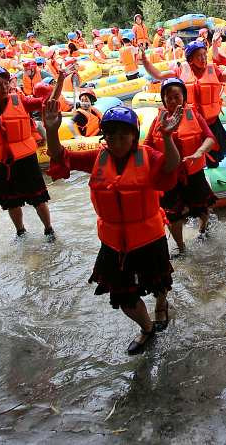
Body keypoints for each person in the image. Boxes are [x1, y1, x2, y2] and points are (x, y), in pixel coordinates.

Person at [45, 102, 182, 355]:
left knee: (159, 281)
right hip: (113, 243)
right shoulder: (96, 157)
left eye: (124, 136)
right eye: (111, 136)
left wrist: (167, 136)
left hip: (149, 237)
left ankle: (161, 304)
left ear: (134, 136)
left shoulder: (148, 155)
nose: (117, 142)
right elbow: (61, 157)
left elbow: (171, 167)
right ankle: (146, 327)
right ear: (105, 137)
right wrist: (51, 131)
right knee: (122, 296)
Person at [0, 66, 57, 238]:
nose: (4, 87)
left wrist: (54, 88)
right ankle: (20, 231)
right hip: (2, 160)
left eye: (6, 83)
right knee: (11, 201)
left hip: (26, 158)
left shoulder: (20, 101)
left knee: (39, 198)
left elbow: (45, 103)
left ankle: (48, 229)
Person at [140, 40, 226, 166]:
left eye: (204, 54)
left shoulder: (214, 70)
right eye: (199, 55)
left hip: (212, 122)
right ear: (190, 59)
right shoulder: (181, 71)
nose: (203, 58)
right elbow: (159, 75)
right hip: (191, 121)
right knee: (190, 155)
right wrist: (144, 61)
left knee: (214, 159)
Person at [145, 78, 217, 256]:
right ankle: (181, 246)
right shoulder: (157, 121)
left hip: (193, 171)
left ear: (184, 97)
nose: (173, 101)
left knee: (203, 206)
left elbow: (210, 138)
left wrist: (200, 151)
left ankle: (203, 230)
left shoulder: (195, 115)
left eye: (177, 96)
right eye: (168, 98)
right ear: (163, 100)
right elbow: (146, 146)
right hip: (169, 176)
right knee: (172, 214)